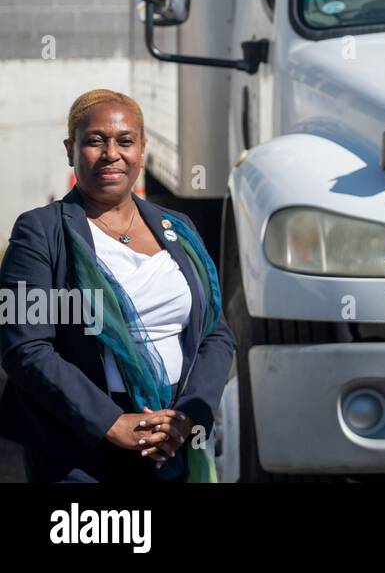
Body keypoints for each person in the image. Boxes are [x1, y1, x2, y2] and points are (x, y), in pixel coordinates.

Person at [0, 89, 234, 483]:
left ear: (142, 150)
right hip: (80, 447)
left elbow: (216, 332)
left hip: (173, 435)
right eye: (95, 141)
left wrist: (191, 415)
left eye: (125, 141)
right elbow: (24, 346)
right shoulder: (39, 231)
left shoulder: (178, 228)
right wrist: (112, 422)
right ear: (70, 148)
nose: (112, 153)